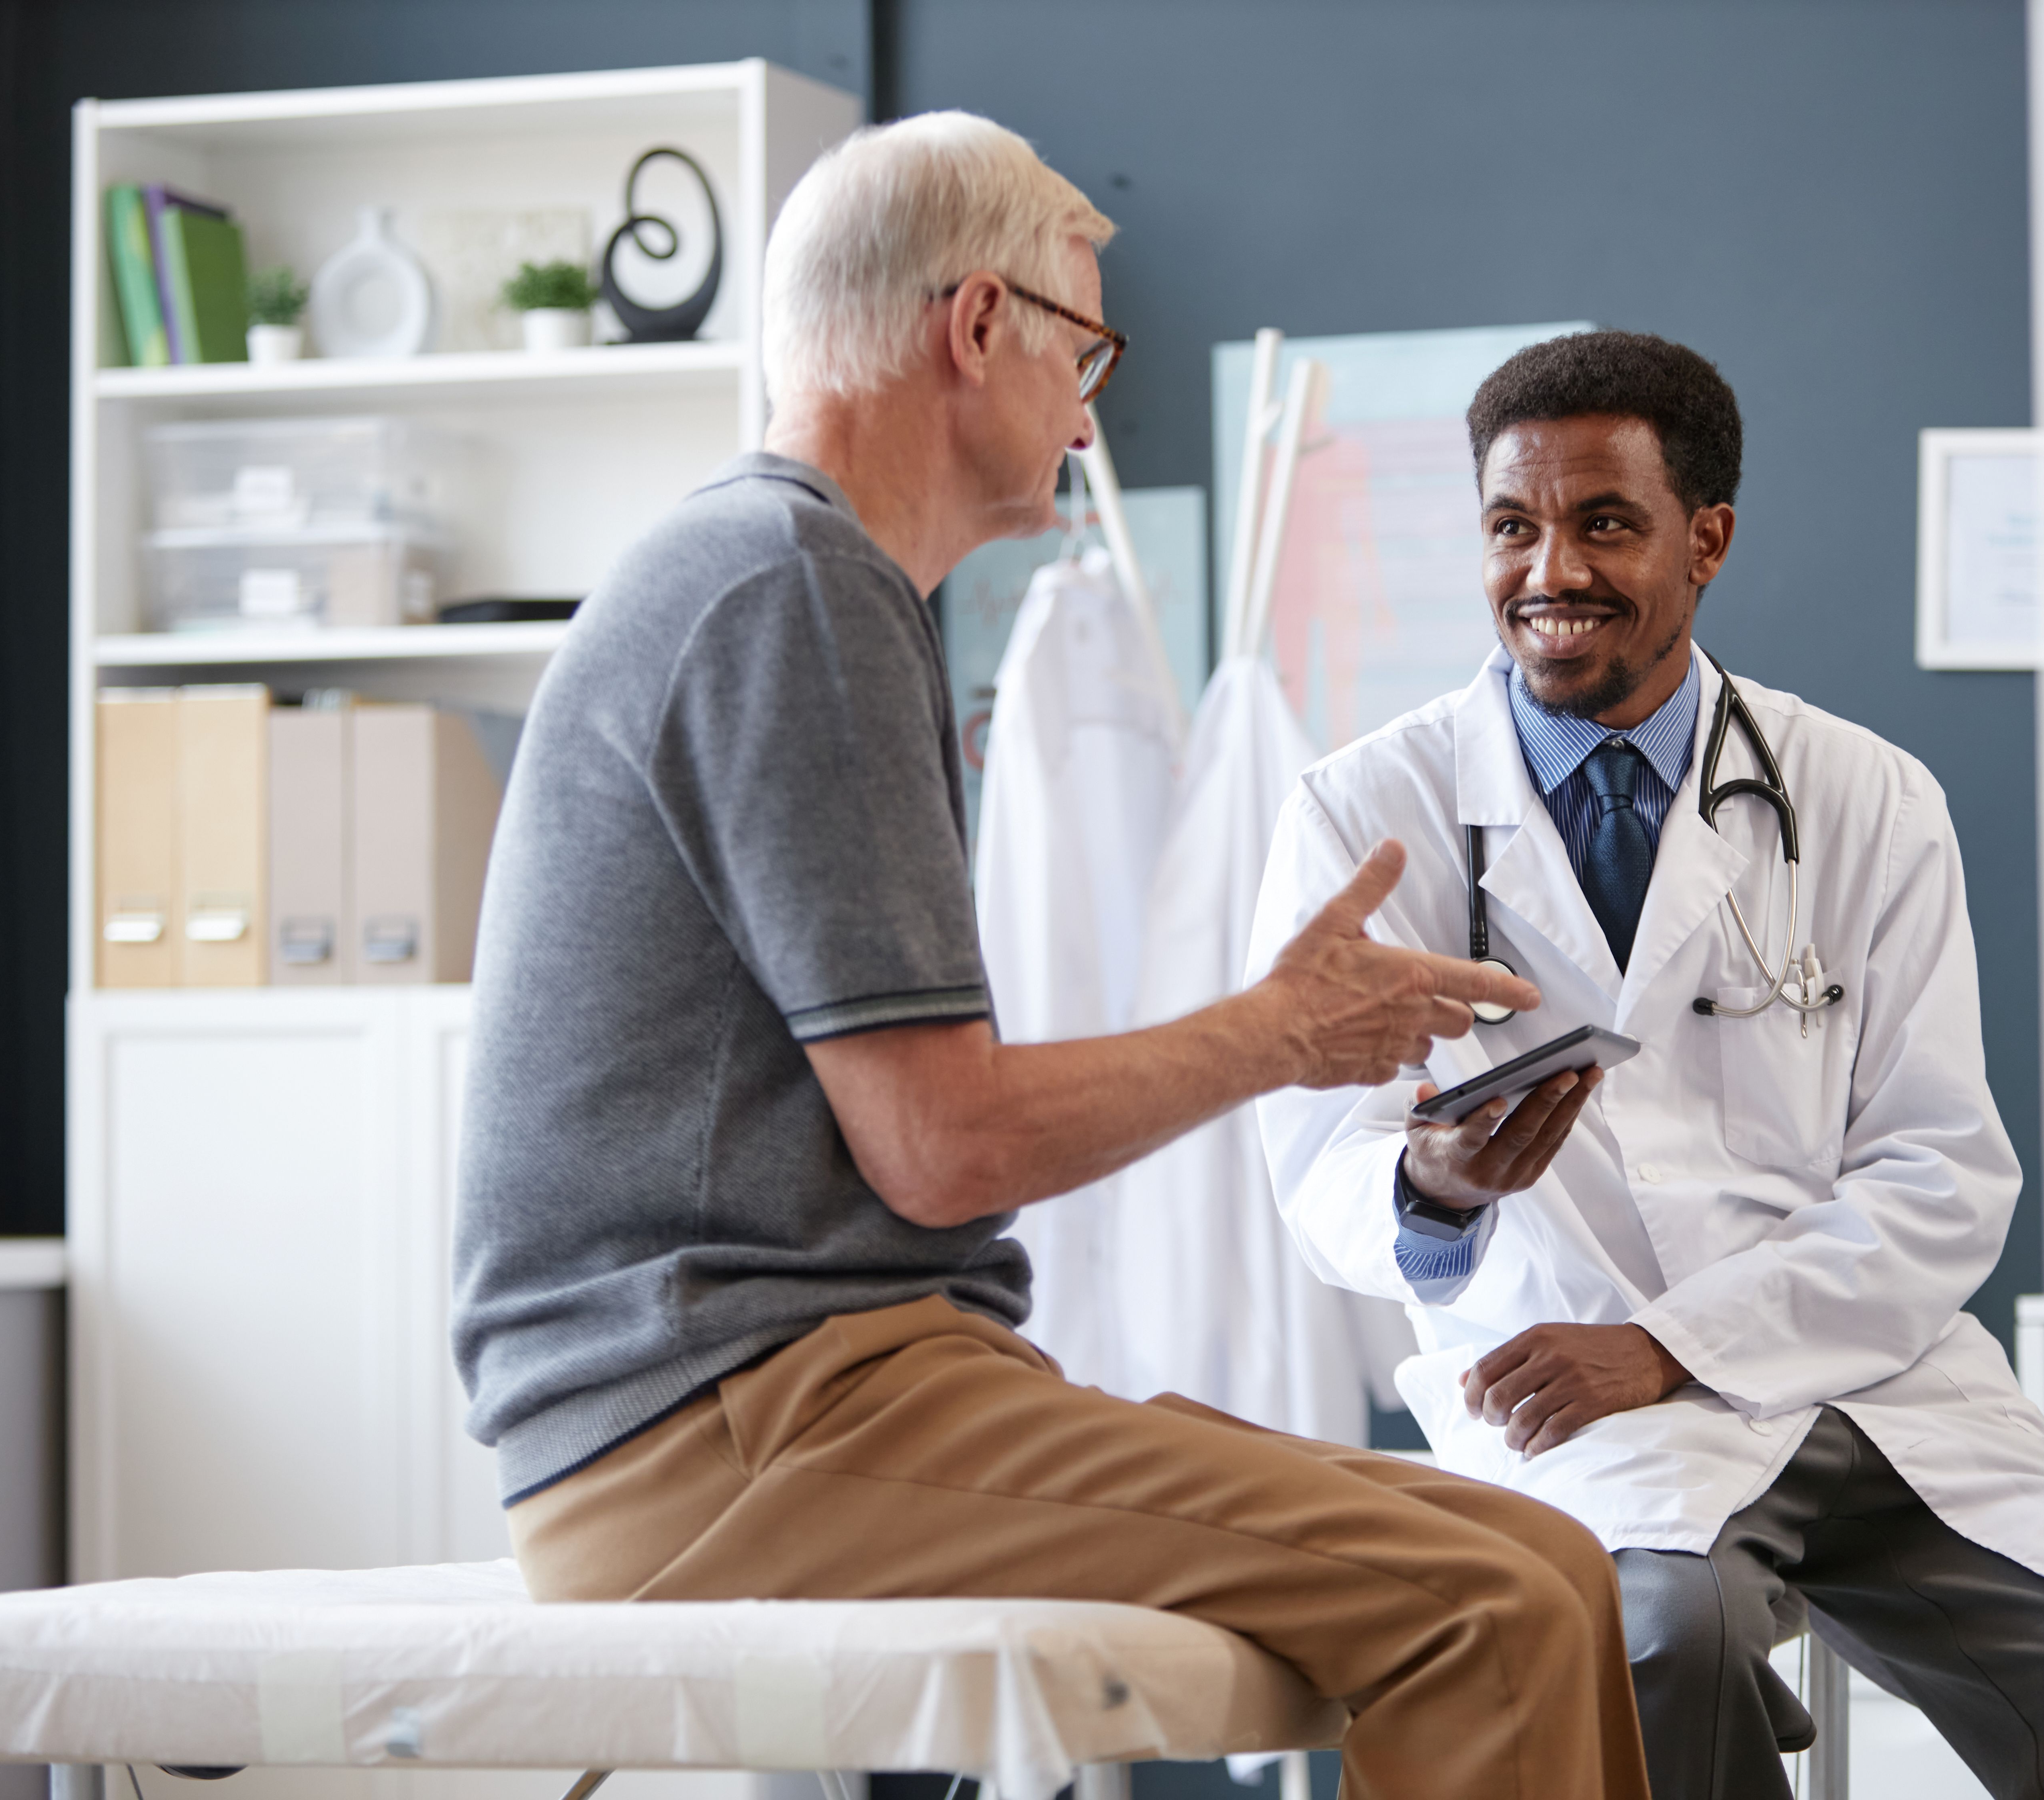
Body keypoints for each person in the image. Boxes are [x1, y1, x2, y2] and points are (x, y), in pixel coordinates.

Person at [448, 114, 1651, 1800]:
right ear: (976, 324)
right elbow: (945, 1147)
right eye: (1082, 354)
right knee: (1485, 1607)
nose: (1088, 416)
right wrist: (1283, 1032)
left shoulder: (786, 579)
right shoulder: (793, 586)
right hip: (719, 1436)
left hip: (822, 1395)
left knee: (1550, 1560)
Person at [1251, 330, 2044, 1800]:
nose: (1549, 571)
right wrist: (1432, 1188)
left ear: (1708, 541)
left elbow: (1943, 1173)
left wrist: (1680, 1344)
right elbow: (1318, 1173)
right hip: (1580, 1404)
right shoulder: (1365, 814)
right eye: (1512, 526)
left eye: (1605, 524)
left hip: (1875, 1385)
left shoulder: (1869, 799)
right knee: (1663, 1649)